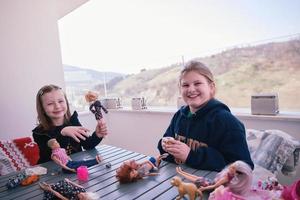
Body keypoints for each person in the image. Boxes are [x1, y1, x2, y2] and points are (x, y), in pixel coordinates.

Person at [157, 61, 254, 171]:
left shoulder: (226, 121)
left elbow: (243, 168)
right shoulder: (179, 116)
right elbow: (166, 150)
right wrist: (164, 145)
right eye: (185, 85)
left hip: (212, 186)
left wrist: (191, 155)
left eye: (197, 83)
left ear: (211, 87)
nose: (191, 89)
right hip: (178, 181)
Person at [32, 84, 108, 164]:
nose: (57, 106)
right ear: (42, 108)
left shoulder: (73, 121)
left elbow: (88, 145)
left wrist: (97, 135)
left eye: (61, 101)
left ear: (66, 103)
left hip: (76, 168)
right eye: (50, 104)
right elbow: (51, 158)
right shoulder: (39, 133)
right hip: (54, 172)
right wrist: (63, 133)